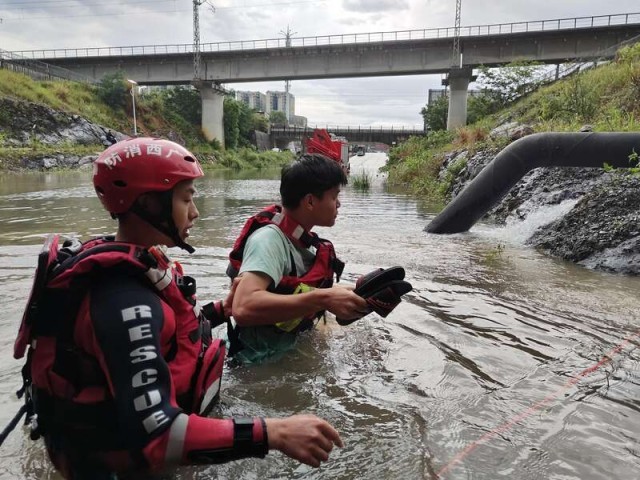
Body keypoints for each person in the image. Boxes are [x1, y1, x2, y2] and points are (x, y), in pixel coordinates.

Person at [11, 138, 343, 479]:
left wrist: (218, 310)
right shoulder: (124, 298)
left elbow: (171, 337)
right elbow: (157, 435)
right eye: (186, 199)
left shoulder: (142, 267)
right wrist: (274, 433)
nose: (195, 212)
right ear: (149, 204)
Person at [224, 153, 370, 364]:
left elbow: (301, 291)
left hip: (288, 351)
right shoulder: (268, 240)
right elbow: (243, 307)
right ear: (310, 201)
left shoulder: (301, 239)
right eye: (334, 196)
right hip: (257, 366)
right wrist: (325, 298)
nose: (338, 204)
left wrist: (355, 293)